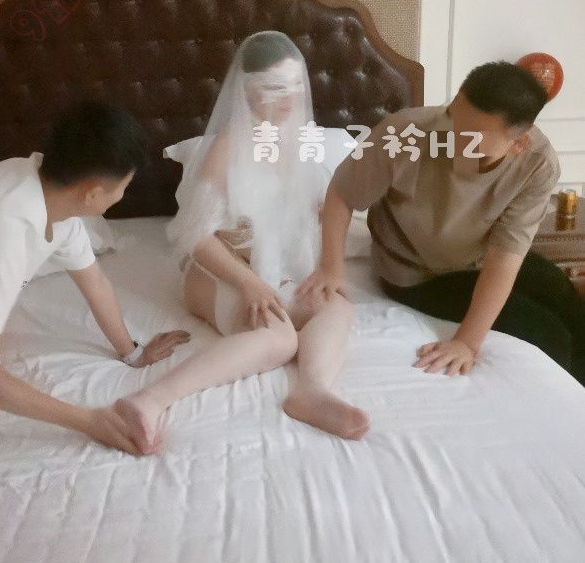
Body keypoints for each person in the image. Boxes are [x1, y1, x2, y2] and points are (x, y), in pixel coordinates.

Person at [113, 31, 370, 455]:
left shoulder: (300, 142)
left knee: (336, 306)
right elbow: (195, 237)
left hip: (274, 269)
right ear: (247, 91)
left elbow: (316, 212)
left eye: (294, 85)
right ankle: (149, 400)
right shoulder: (226, 149)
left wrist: (328, 259)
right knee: (281, 339)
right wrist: (250, 284)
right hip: (218, 269)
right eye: (274, 87)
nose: (288, 97)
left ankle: (312, 390)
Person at [0, 100, 190, 453]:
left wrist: (133, 355)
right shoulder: (5, 229)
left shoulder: (55, 202)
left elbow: (95, 283)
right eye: (124, 186)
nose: (122, 195)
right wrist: (88, 420)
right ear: (93, 193)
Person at [299, 61, 585, 384]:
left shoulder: (538, 164)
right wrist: (331, 268)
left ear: (518, 144)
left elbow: (506, 255)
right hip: (415, 273)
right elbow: (342, 194)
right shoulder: (403, 135)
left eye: (472, 140)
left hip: (477, 260)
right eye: (453, 118)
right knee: (550, 334)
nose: (452, 140)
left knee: (562, 294)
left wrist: (468, 343)